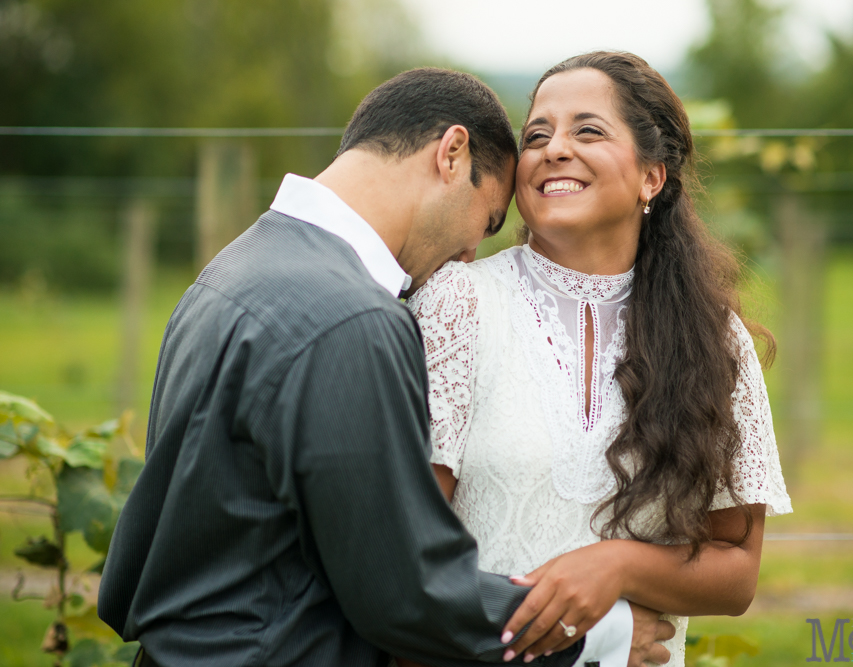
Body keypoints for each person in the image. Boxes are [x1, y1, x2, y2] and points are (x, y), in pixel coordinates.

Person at [97, 67, 672, 667]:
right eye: (489, 217)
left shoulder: (231, 272)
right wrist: (594, 639)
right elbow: (403, 591)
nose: (473, 249)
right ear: (452, 155)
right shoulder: (353, 319)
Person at [406, 51, 793, 667]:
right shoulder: (457, 303)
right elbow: (406, 556)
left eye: (587, 130)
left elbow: (737, 571)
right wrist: (595, 637)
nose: (553, 148)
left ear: (652, 177)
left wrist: (615, 565)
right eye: (537, 135)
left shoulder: (712, 339)